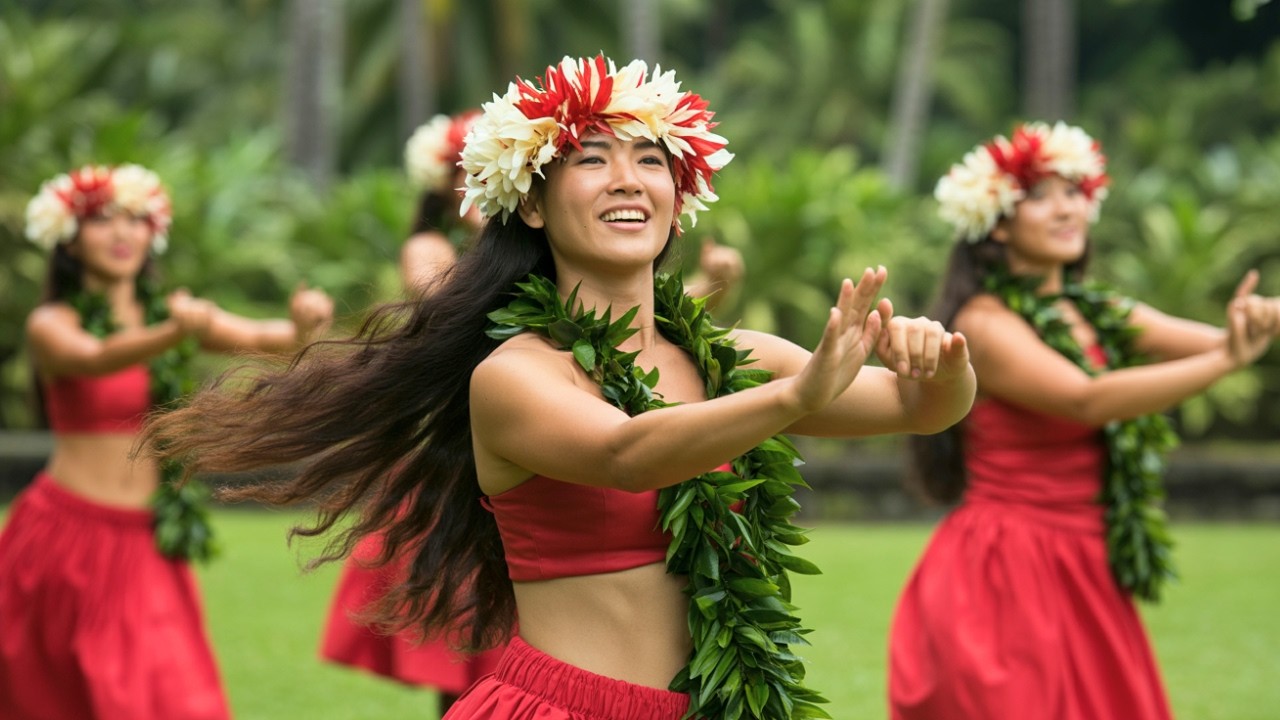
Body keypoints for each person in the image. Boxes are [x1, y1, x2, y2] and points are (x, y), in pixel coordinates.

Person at [144, 54, 975, 720]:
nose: (627, 178)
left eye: (651, 159)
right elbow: (626, 452)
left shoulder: (731, 357)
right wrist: (794, 399)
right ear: (533, 205)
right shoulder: (515, 378)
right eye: (591, 159)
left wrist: (940, 362)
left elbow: (917, 409)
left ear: (677, 198)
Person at [889, 122, 1280, 720]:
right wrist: (1229, 358)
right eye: (1042, 196)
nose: (1067, 207)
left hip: (1086, 564)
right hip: (1006, 568)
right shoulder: (985, 324)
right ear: (997, 221)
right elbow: (1086, 399)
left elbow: (1222, 339)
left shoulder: (1093, 309)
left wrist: (1251, 324)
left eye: (1075, 191)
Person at [0, 163, 334, 720]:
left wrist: (305, 325)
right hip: (63, 538)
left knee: (170, 698)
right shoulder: (51, 322)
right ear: (70, 238)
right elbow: (91, 357)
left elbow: (263, 339)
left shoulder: (171, 312)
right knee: (55, 700)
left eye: (136, 219)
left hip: (147, 542)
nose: (122, 233)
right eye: (103, 220)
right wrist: (175, 331)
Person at [320, 111, 504, 714]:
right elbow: (445, 305)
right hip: (456, 464)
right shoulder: (429, 247)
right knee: (462, 644)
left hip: (530, 449)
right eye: (467, 172)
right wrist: (491, 233)